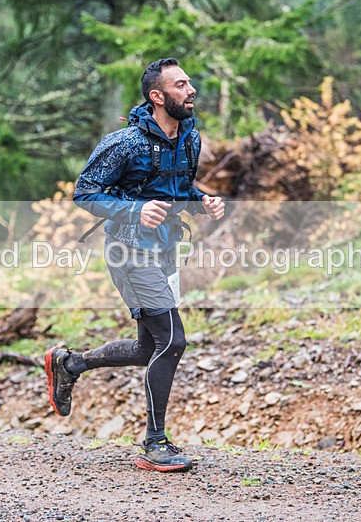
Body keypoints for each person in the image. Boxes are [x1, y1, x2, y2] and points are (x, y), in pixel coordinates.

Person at [44, 58, 224, 472]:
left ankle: (71, 363)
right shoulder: (125, 142)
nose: (191, 90)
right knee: (173, 341)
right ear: (157, 96)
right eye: (181, 85)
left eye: (189, 83)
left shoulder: (190, 138)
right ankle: (155, 443)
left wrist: (202, 202)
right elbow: (85, 193)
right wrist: (134, 211)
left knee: (149, 348)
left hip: (165, 250)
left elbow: (178, 188)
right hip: (128, 250)